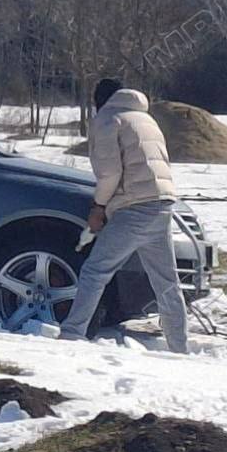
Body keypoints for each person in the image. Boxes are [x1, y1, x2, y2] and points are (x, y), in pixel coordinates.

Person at [58, 79, 189, 353]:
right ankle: (179, 348)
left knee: (96, 271)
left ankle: (71, 335)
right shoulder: (145, 118)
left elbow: (110, 173)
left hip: (134, 208)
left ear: (99, 100)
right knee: (166, 282)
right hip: (162, 203)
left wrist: (98, 206)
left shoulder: (109, 119)